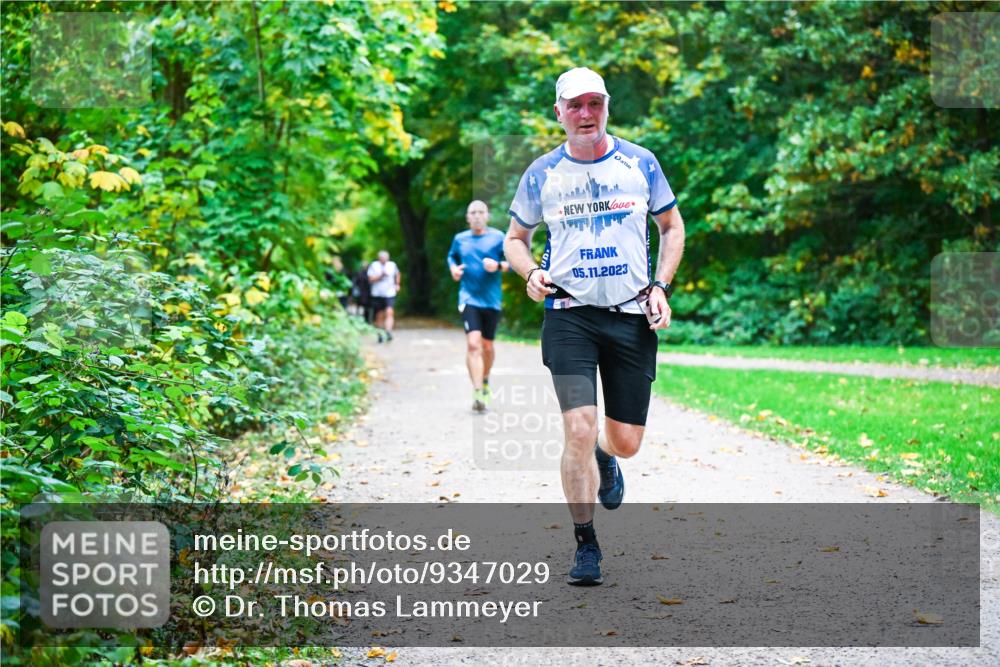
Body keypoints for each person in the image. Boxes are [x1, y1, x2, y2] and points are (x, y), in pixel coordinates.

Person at [503, 67, 685, 586]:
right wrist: (531, 272)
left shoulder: (640, 163)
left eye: (595, 103)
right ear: (558, 112)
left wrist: (661, 287)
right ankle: (586, 545)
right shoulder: (542, 173)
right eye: (574, 105)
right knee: (578, 429)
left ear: (607, 106)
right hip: (569, 316)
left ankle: (609, 457)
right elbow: (515, 238)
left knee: (624, 441)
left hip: (631, 315)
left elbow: (671, 227)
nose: (586, 114)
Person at [447, 200, 509, 413]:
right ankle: (477, 392)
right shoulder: (460, 239)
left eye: (481, 212)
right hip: (468, 298)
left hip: (491, 300)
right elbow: (451, 257)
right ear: (467, 217)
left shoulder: (498, 237)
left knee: (487, 347)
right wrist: (454, 269)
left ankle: (484, 380)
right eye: (472, 212)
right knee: (474, 344)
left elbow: (512, 261)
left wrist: (498, 265)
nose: (476, 216)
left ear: (487, 216)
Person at [367, 250, 401, 343]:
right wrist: (381, 275)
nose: (384, 260)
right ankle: (380, 332)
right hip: (377, 293)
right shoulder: (374, 265)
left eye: (385, 258)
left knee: (389, 311)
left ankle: (388, 331)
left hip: (389, 293)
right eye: (382, 258)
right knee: (379, 315)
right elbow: (370, 279)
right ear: (379, 258)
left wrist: (397, 284)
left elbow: (397, 274)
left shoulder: (392, 265)